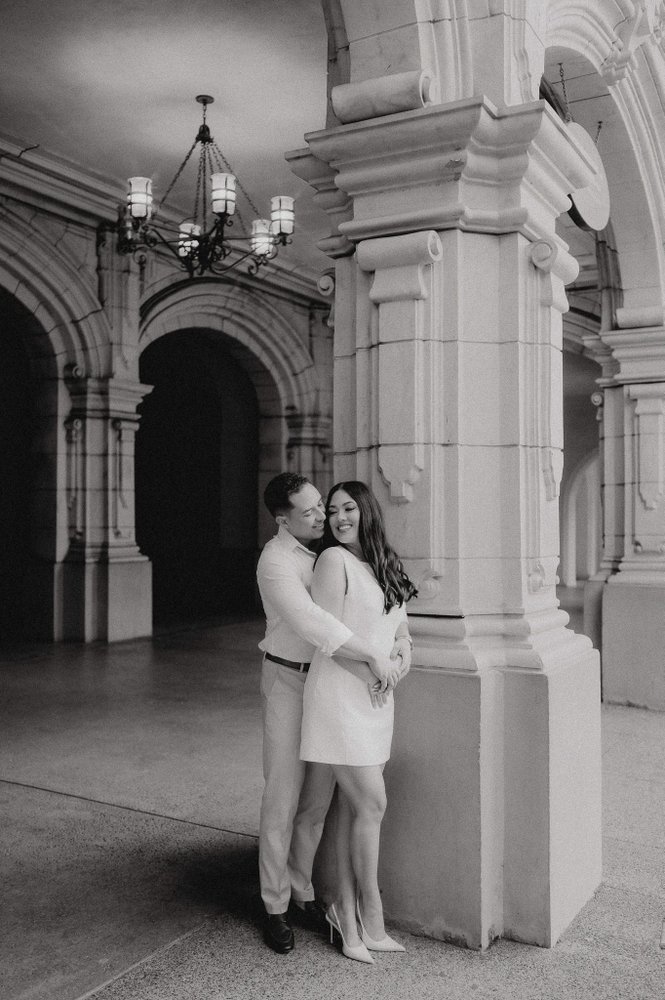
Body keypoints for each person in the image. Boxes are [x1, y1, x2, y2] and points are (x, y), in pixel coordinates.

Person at [256, 472, 412, 955]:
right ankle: (274, 905)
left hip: (338, 682)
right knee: (283, 797)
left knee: (317, 803)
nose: (323, 516)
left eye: (321, 504)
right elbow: (316, 624)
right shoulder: (276, 561)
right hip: (290, 679)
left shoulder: (335, 549)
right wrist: (375, 660)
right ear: (284, 520)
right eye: (310, 512)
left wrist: (395, 653)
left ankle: (301, 889)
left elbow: (384, 612)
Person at [300, 481, 418, 965]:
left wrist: (402, 653)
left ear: (367, 510)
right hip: (339, 697)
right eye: (332, 511)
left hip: (375, 701)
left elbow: (400, 625)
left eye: (348, 508)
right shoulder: (333, 561)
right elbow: (328, 638)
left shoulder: (382, 562)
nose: (339, 518)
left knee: (353, 812)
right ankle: (372, 913)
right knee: (373, 803)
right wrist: (375, 670)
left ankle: (345, 916)